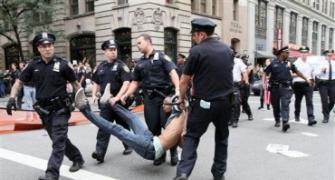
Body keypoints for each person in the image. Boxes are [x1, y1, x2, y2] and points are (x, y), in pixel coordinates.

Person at [6, 32, 84, 180]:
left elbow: (75, 84)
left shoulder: (62, 64)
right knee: (59, 140)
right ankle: (77, 158)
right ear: (38, 49)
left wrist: (81, 100)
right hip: (44, 111)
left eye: (50, 45)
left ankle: (51, 174)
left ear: (53, 46)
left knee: (58, 141)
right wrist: (12, 98)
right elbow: (19, 82)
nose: (48, 48)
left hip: (61, 109)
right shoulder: (33, 66)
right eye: (44, 46)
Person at [174, 18, 234, 180]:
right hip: (225, 103)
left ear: (201, 34)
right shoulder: (228, 50)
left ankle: (183, 172)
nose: (193, 38)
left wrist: (180, 99)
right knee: (222, 138)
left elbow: (184, 80)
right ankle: (219, 174)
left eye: (194, 35)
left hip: (203, 104)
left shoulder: (196, 51)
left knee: (192, 137)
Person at [75, 86, 187, 161]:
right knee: (132, 118)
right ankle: (109, 101)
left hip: (150, 149)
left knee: (115, 128)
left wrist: (181, 136)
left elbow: (183, 143)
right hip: (150, 138)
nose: (162, 106)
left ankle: (83, 108)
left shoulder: (182, 119)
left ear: (176, 105)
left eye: (165, 104)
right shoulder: (176, 111)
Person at [120, 33, 180, 166]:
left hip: (165, 98)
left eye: (139, 43)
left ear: (148, 42)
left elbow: (173, 73)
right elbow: (135, 82)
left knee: (169, 127)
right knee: (153, 129)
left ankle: (174, 152)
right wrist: (126, 94)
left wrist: (177, 90)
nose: (137, 46)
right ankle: (160, 153)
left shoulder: (162, 57)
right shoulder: (140, 63)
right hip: (149, 99)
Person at [90, 39, 133, 163]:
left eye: (115, 50)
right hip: (106, 103)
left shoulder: (121, 66)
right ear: (105, 51)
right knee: (103, 127)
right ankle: (100, 153)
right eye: (110, 50)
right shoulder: (101, 67)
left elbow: (126, 83)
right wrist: (93, 94)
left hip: (118, 103)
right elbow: (96, 82)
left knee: (122, 126)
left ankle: (128, 145)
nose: (113, 52)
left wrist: (117, 97)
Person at [263, 46, 312, 132]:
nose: (288, 54)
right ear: (282, 53)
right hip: (274, 88)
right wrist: (264, 83)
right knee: (275, 105)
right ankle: (277, 119)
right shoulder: (273, 63)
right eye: (287, 53)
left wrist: (306, 79)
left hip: (285, 88)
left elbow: (297, 72)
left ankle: (285, 122)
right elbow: (265, 73)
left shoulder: (289, 64)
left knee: (285, 105)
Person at [292, 47, 317, 126]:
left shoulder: (311, 62)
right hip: (298, 83)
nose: (304, 54)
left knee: (309, 101)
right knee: (298, 101)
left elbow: (313, 73)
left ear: (307, 53)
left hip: (308, 84)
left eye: (305, 52)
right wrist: (299, 75)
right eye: (302, 52)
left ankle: (311, 118)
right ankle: (297, 114)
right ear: (300, 53)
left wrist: (313, 81)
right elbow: (291, 74)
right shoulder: (296, 63)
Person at [314, 50, 335, 123]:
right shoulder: (320, 63)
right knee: (324, 100)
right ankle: (326, 116)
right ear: (325, 56)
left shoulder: (334, 63)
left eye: (331, 55)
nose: (329, 57)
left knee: (333, 100)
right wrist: (321, 71)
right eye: (328, 55)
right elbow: (316, 73)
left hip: (332, 83)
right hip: (323, 84)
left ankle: (326, 111)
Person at [230, 54, 248, 128]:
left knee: (236, 103)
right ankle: (229, 119)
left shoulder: (238, 61)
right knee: (226, 103)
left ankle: (235, 120)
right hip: (225, 84)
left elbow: (244, 71)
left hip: (235, 84)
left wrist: (245, 80)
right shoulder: (223, 59)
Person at [240, 54, 254, 120]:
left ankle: (250, 114)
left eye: (246, 59)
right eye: (244, 59)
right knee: (235, 102)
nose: (245, 60)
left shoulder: (249, 66)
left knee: (244, 101)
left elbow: (248, 74)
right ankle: (233, 118)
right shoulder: (238, 64)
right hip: (238, 85)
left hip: (245, 84)